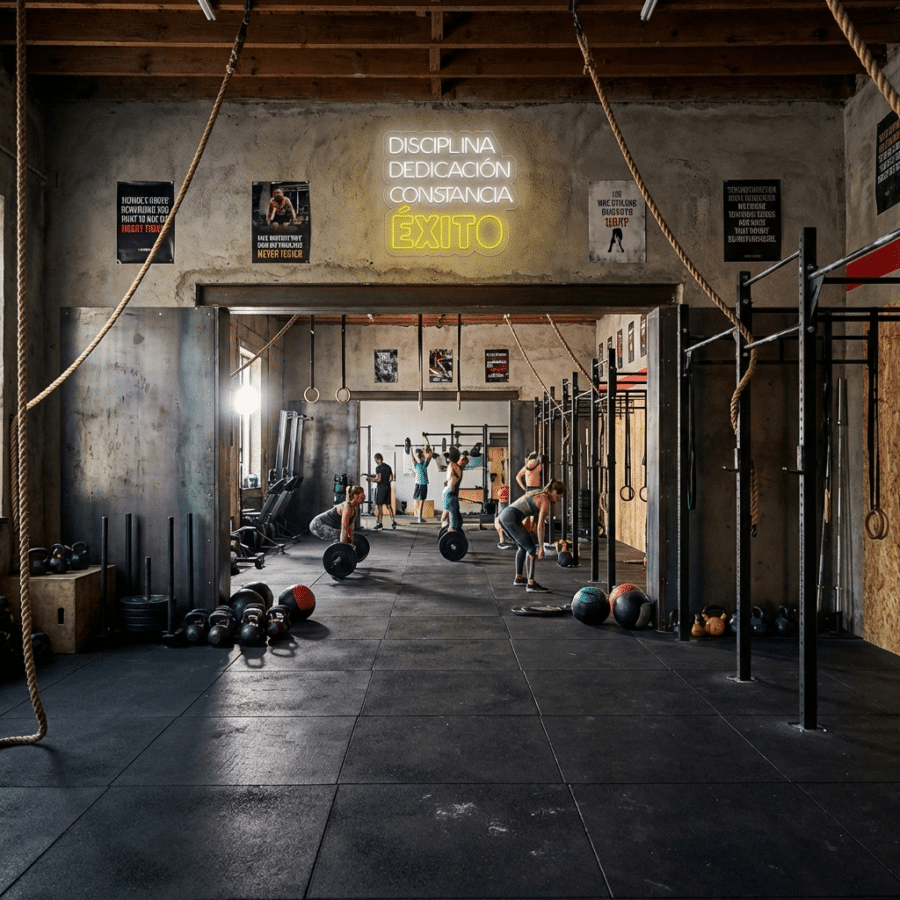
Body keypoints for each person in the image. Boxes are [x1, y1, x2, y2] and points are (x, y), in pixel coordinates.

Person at [498, 479, 566, 592]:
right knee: (531, 548)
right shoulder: (545, 501)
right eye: (557, 495)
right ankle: (531, 584)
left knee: (522, 547)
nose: (558, 498)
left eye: (560, 497)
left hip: (504, 517)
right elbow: (541, 526)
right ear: (552, 491)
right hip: (511, 518)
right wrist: (541, 547)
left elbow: (533, 517)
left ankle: (519, 578)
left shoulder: (539, 493)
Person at [367, 453, 396, 529]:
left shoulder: (378, 468)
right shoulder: (388, 467)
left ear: (378, 459)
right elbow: (391, 478)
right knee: (389, 506)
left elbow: (378, 479)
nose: (375, 461)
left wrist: (370, 479)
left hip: (381, 488)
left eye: (375, 460)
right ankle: (393, 521)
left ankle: (379, 523)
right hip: (387, 487)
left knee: (379, 506)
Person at [410, 433, 434, 523]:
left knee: (418, 500)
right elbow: (429, 452)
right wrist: (425, 438)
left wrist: (411, 449)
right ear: (423, 456)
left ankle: (418, 517)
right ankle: (419, 518)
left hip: (417, 484)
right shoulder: (424, 464)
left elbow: (412, 457)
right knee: (422, 501)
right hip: (423, 484)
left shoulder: (416, 465)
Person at [441, 447, 466, 532]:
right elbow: (452, 482)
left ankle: (449, 528)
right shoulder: (454, 467)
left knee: (459, 522)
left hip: (449, 493)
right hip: (450, 493)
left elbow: (449, 480)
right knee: (454, 524)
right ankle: (450, 531)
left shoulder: (451, 465)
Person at [494, 481, 513, 548]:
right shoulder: (504, 491)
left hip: (504, 503)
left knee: (500, 523)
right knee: (500, 524)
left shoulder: (502, 491)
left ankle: (503, 541)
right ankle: (502, 541)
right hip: (504, 503)